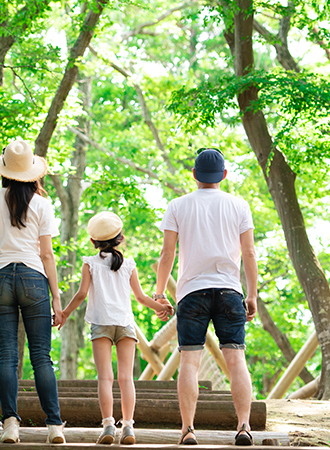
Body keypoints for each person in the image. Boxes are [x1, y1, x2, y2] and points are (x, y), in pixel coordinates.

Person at [154, 148, 258, 446]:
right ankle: (243, 427)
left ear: (195, 175)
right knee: (236, 360)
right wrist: (252, 294)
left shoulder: (177, 206)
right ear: (224, 175)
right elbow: (249, 253)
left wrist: (160, 293)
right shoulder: (239, 205)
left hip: (192, 292)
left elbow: (167, 253)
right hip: (229, 290)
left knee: (189, 361)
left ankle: (188, 430)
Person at [59, 211, 173, 445]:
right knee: (125, 379)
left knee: (105, 378)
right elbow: (140, 298)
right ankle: (128, 427)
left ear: (93, 241)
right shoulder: (129, 265)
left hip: (101, 323)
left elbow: (81, 294)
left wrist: (64, 314)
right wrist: (160, 307)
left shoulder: (89, 263)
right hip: (124, 324)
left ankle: (108, 425)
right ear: (120, 237)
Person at [0, 139, 65, 444]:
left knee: (7, 356)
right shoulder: (43, 204)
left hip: (1, 278)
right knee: (41, 357)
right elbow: (47, 255)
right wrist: (56, 298)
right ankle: (54, 426)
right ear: (32, 173)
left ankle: (10, 425)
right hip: (34, 279)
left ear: (4, 172)